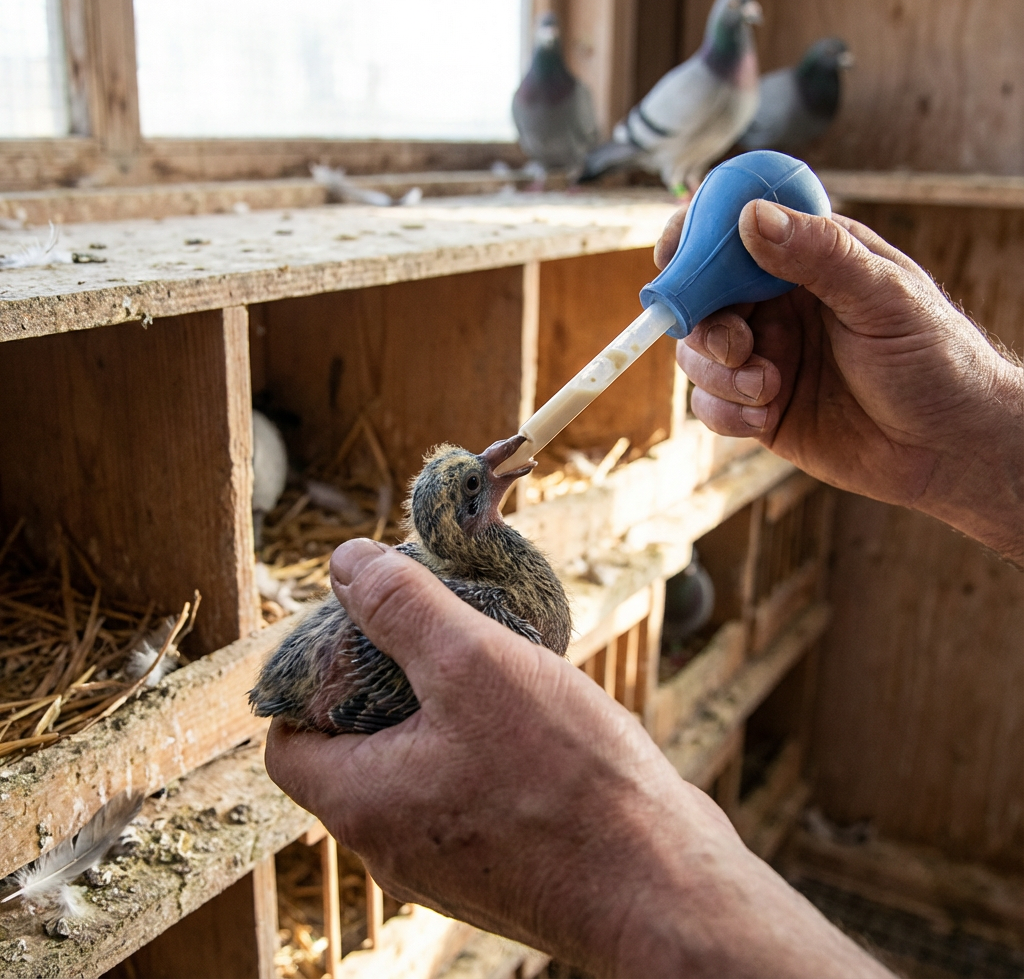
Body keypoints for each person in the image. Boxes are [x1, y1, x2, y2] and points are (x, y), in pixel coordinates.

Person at [265, 200, 1023, 978]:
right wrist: (983, 441)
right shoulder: (488, 602)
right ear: (465, 523)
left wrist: (619, 880)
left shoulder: (485, 584)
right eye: (478, 482)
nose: (502, 456)